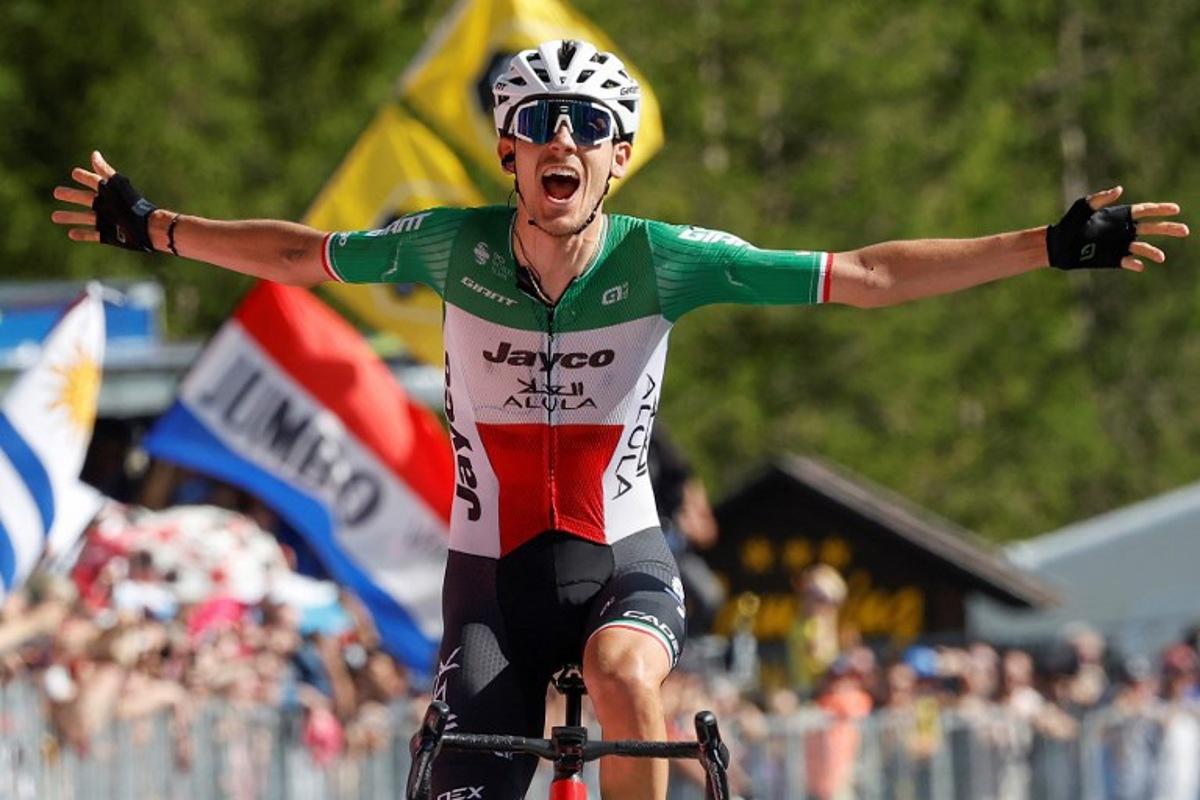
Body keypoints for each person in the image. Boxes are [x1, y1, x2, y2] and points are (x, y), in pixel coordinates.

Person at [51, 38, 1189, 800]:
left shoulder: (668, 260)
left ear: (617, 157)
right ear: (508, 151)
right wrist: (154, 226)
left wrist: (1042, 247)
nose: (563, 138)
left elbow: (869, 276)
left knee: (622, 673)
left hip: (621, 561)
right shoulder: (449, 246)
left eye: (588, 124)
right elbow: (300, 254)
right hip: (490, 581)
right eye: (539, 120)